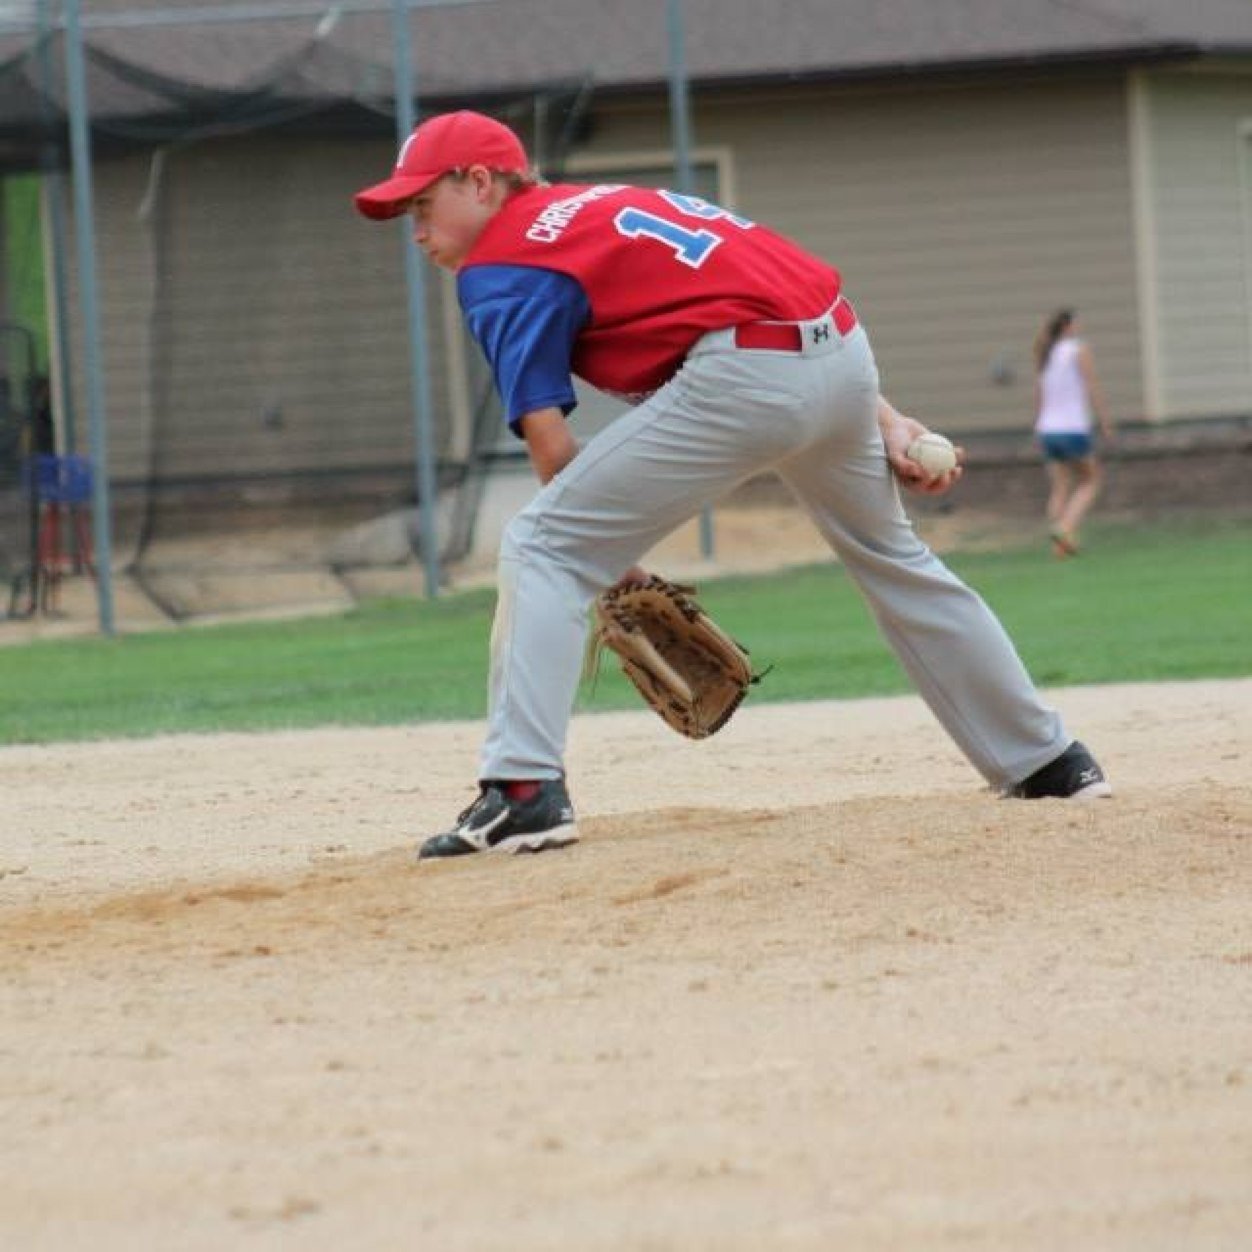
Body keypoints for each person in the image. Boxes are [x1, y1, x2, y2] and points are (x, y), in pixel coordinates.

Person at [354, 111, 1112, 860]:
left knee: (541, 545)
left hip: (747, 378)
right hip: (841, 349)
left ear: (481, 182)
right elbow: (770, 294)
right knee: (895, 560)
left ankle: (523, 795)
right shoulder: (608, 205)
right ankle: (1049, 763)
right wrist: (887, 420)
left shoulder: (502, 264)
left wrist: (612, 563)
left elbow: (553, 448)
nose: (417, 231)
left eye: (423, 205)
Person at [1032, 309, 1115, 556]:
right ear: (1068, 326)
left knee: (1060, 486)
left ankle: (1058, 547)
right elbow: (1091, 385)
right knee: (1091, 480)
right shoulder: (1078, 349)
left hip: (1048, 429)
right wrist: (1104, 421)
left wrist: (1038, 424)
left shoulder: (1045, 353)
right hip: (1072, 428)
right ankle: (1065, 527)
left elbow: (1040, 393)